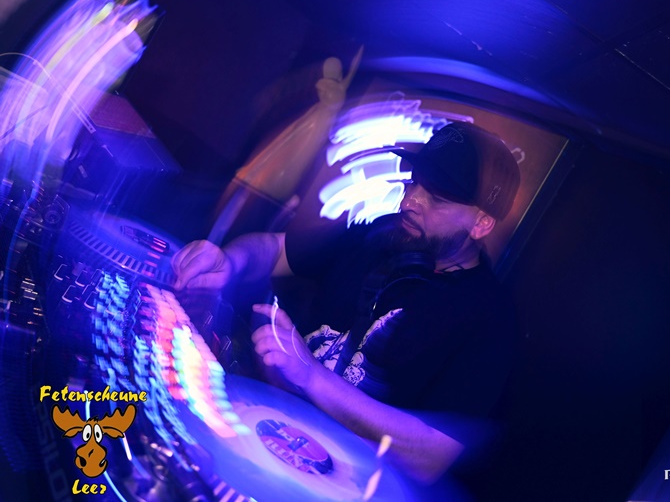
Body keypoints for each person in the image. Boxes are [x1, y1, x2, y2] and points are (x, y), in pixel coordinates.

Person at [172, 121, 521, 485]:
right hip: (262, 440)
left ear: (481, 223)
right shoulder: (385, 235)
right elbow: (275, 249)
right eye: (414, 182)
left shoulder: (490, 319)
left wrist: (311, 375)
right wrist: (229, 263)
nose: (409, 201)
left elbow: (432, 454)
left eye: (437, 197)